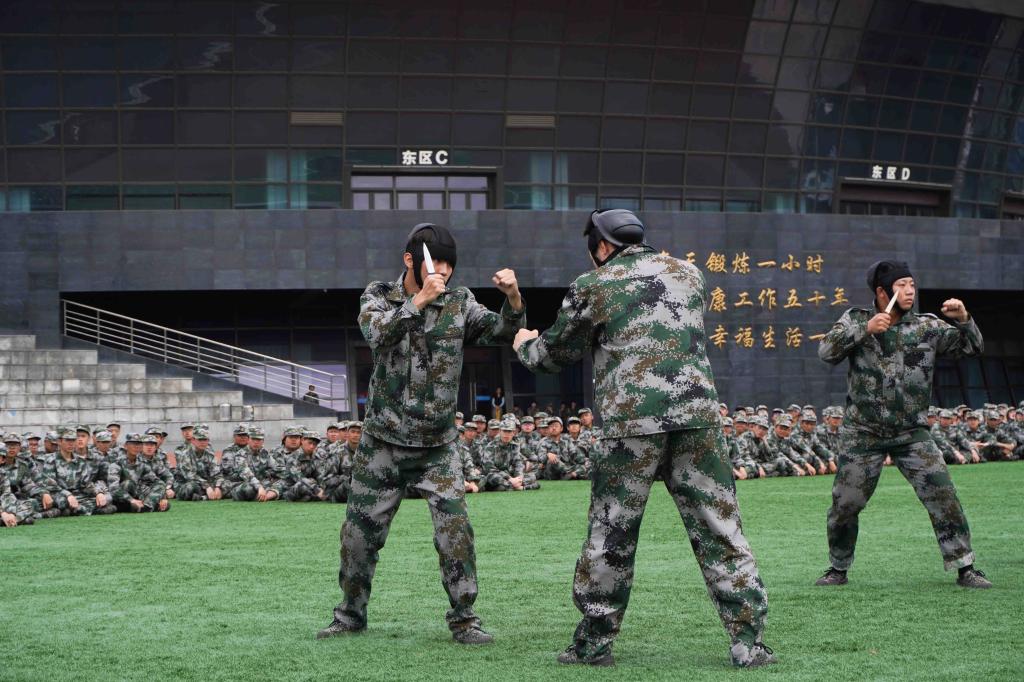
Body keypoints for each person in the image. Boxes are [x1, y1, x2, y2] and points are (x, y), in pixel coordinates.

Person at [513, 209, 772, 668]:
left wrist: (523, 344)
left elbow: (554, 354)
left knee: (611, 534)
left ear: (601, 245)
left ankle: (594, 644)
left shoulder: (594, 284)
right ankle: (748, 643)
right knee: (721, 529)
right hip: (698, 419)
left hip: (631, 425)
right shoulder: (689, 274)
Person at [317, 222, 526, 645]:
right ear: (410, 260)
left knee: (456, 535)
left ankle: (465, 619)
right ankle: (350, 614)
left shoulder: (460, 302)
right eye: (436, 262)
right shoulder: (378, 296)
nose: (443, 271)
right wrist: (418, 301)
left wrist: (513, 298)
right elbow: (377, 335)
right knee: (358, 536)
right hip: (383, 441)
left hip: (437, 446)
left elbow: (503, 331)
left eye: (449, 264)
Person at [816, 260, 990, 589]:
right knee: (845, 504)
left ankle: (965, 566)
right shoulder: (856, 319)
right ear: (882, 292)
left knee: (942, 493)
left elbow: (972, 347)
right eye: (902, 285)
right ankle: (838, 567)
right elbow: (826, 351)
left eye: (912, 284)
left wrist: (964, 318)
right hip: (863, 433)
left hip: (911, 433)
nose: (910, 291)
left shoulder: (926, 327)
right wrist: (865, 330)